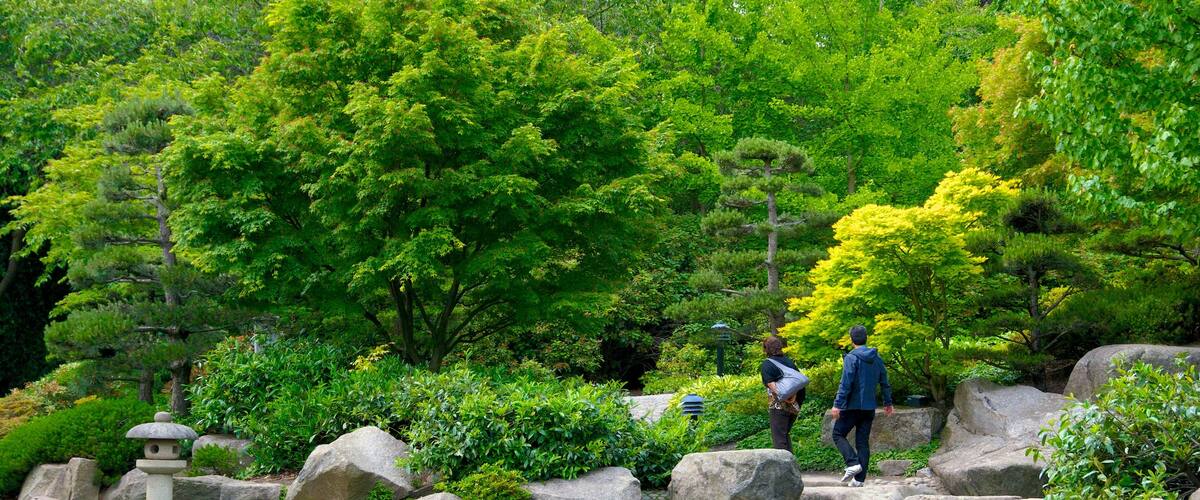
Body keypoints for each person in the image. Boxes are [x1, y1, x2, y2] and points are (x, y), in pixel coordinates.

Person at [831, 325, 893, 487]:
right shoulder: (876, 358)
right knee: (862, 443)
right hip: (868, 408)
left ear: (852, 340)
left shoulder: (851, 358)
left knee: (838, 434)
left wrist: (837, 404)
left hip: (851, 407)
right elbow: (885, 382)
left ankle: (852, 463)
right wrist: (888, 402)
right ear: (866, 338)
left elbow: (846, 383)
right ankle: (859, 480)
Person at [760, 335, 805, 453]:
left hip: (779, 405)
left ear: (766, 349)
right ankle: (791, 466)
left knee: (779, 438)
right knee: (784, 434)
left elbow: (773, 387)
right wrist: (793, 398)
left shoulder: (767, 364)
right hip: (796, 403)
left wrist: (786, 398)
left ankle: (783, 468)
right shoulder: (789, 362)